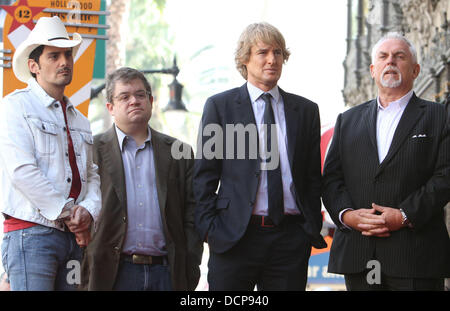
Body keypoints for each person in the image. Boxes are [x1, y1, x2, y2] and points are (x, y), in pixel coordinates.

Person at [194, 22, 326, 291]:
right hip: (235, 237)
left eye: (278, 53)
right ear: (245, 58)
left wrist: (307, 227)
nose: (272, 59)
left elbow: (313, 176)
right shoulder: (220, 107)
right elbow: (204, 176)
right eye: (263, 52)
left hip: (290, 239)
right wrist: (210, 229)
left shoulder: (306, 110)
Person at [322, 32, 450, 290]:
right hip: (360, 255)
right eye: (383, 56)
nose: (390, 61)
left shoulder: (440, 116)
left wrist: (404, 215)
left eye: (399, 56)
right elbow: (332, 179)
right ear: (372, 69)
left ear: (415, 70)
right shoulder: (347, 120)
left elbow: (446, 174)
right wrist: (348, 215)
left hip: (416, 255)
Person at [0, 16, 101, 291]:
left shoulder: (81, 120)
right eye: (54, 56)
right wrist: (71, 214)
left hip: (72, 238)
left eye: (67, 54)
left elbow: (92, 174)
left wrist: (89, 212)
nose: (64, 62)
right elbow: (22, 171)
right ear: (34, 66)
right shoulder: (14, 106)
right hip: (31, 232)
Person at [80, 67, 203, 291]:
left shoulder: (179, 152)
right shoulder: (91, 151)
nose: (134, 101)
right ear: (111, 108)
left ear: (151, 101)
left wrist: (189, 268)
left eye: (140, 95)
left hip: (166, 274)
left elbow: (192, 215)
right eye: (124, 97)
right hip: (111, 274)